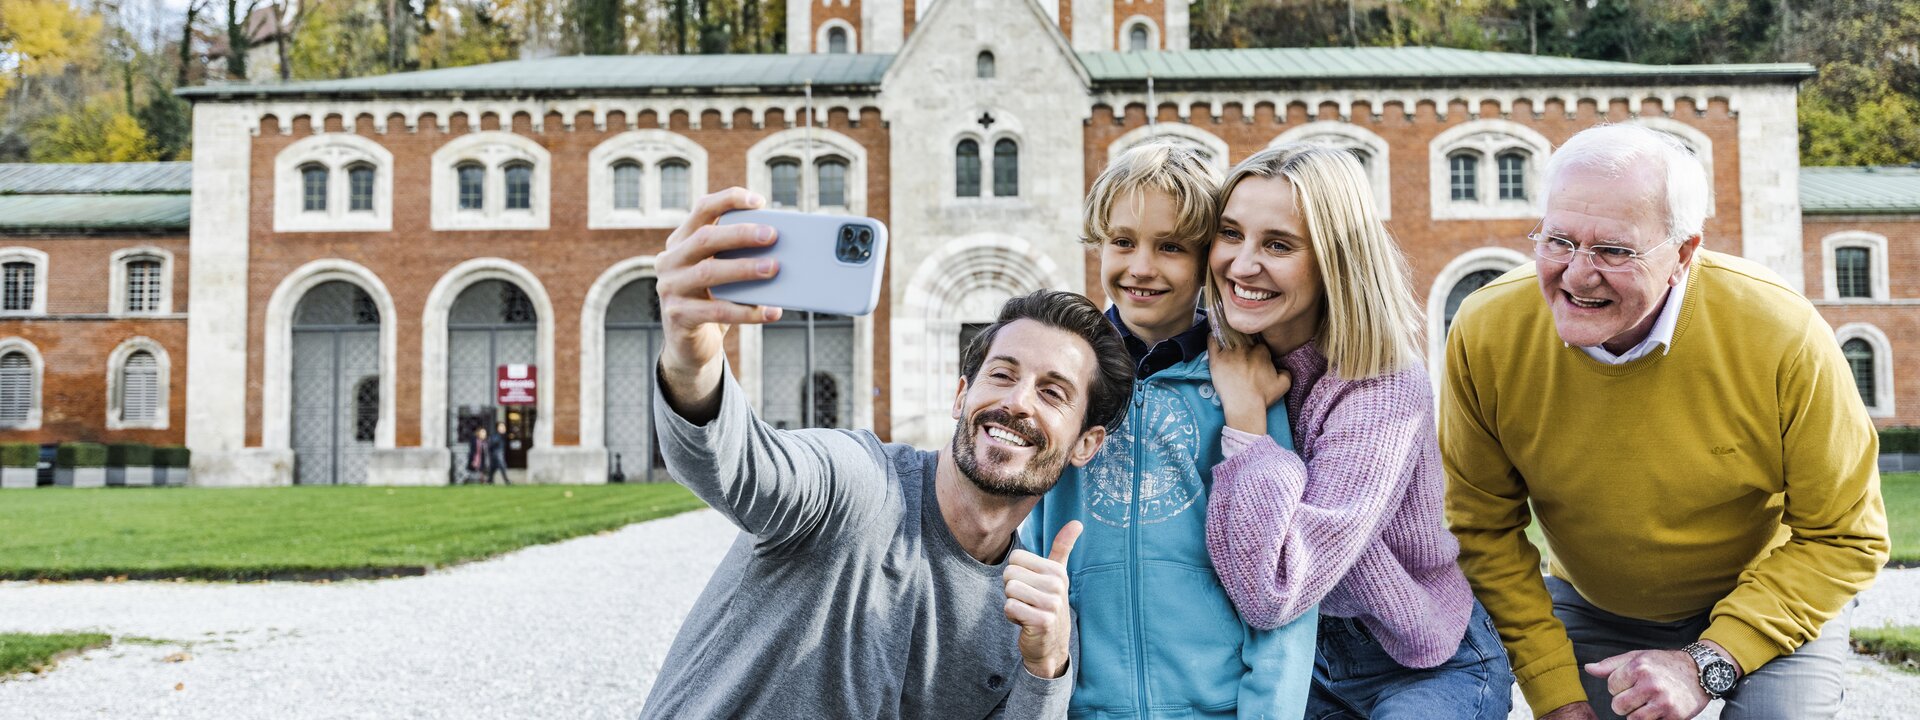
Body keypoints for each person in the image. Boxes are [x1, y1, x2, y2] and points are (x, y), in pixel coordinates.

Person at [1441, 124, 1889, 720]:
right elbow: (1479, 530)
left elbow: (1846, 535)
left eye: (1613, 250)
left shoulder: (1780, 331)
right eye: (1558, 240)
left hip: (1769, 599)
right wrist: (1555, 694)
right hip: (1592, 604)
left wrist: (1707, 660)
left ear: (1683, 253)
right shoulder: (1486, 328)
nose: (1576, 274)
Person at [640, 187, 1135, 719]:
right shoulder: (859, 483)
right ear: (961, 394)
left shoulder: (1032, 613)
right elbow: (743, 468)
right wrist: (693, 361)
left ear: (1086, 443)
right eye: (1002, 374)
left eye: (1052, 392)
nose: (1016, 402)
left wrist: (1045, 667)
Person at [1198, 144, 1512, 719]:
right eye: (1230, 234)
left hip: (1418, 660)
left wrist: (1248, 425)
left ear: (1335, 261)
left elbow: (1277, 585)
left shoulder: (1382, 384)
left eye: (1278, 245)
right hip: (1293, 659)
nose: (1242, 265)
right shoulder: (1214, 360)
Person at [1020, 142, 1315, 719]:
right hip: (1082, 707)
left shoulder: (1246, 386)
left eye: (1172, 247)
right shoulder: (1066, 383)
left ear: (1209, 258)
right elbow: (1025, 541)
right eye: (1123, 241)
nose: (1141, 267)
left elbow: (1284, 573)